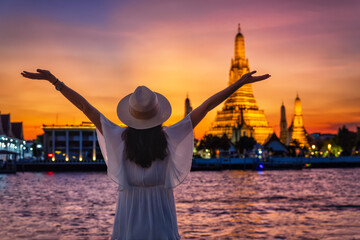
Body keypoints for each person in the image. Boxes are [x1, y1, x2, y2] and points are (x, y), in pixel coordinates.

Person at [21, 69, 270, 239]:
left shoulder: (119, 137)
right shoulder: (169, 136)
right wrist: (239, 84)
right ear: (156, 113)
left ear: (131, 115)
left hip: (128, 221)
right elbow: (206, 107)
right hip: (162, 221)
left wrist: (54, 81)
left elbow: (85, 107)